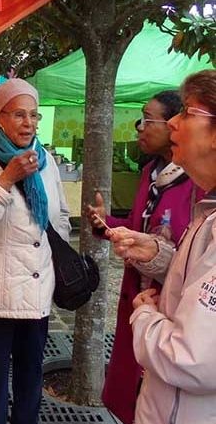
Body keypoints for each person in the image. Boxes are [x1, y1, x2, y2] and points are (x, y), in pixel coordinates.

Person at [0, 78, 71, 424]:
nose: (29, 123)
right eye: (19, 114)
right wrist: (5, 180)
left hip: (35, 294)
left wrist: (54, 253)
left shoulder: (45, 159)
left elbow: (59, 215)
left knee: (29, 385)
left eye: (34, 115)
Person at [86, 91, 202, 424]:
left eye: (148, 119)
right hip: (139, 307)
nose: (140, 127)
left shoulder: (199, 187)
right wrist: (106, 224)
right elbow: (140, 228)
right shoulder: (153, 173)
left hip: (172, 318)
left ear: (176, 125)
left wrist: (156, 254)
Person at [108, 69, 216, 424]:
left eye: (186, 112)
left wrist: (144, 314)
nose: (173, 125)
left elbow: (189, 358)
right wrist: (157, 253)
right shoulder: (206, 210)